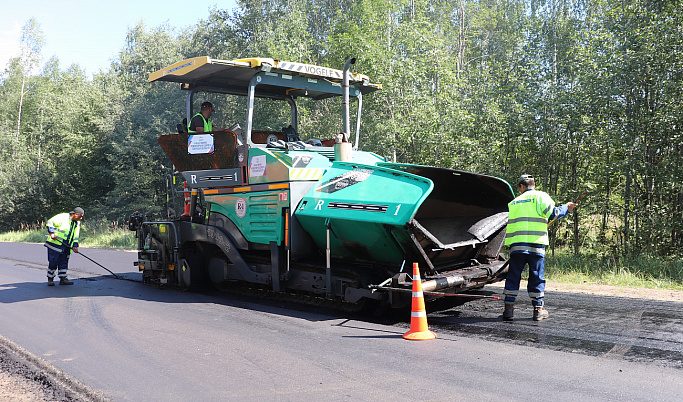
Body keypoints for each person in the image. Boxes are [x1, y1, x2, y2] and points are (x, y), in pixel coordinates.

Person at [503, 175, 577, 321]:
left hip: (517, 245)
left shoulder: (513, 202)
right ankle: (538, 311)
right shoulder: (541, 197)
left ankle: (508, 310)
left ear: (521, 187)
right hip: (536, 245)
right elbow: (554, 214)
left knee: (513, 275)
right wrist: (566, 208)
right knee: (536, 276)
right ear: (533, 185)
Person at [44, 207, 84, 286]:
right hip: (55, 244)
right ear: (76, 214)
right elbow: (50, 222)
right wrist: (52, 233)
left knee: (64, 262)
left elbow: (76, 235)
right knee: (53, 261)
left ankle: (63, 279)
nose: (81, 218)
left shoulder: (77, 223)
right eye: (81, 216)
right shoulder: (63, 217)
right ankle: (50, 278)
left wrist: (75, 246)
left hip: (67, 245)